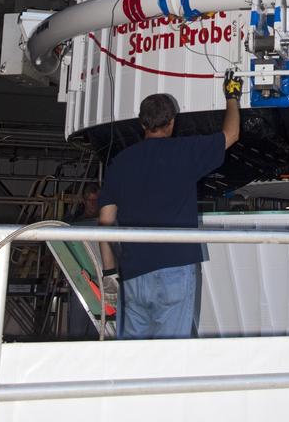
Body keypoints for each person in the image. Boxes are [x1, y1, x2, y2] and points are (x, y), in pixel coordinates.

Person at [98, 72, 242, 339]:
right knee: (170, 354)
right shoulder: (185, 152)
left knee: (132, 356)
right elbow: (231, 134)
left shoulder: (120, 162)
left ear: (142, 123)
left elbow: (105, 221)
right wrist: (232, 95)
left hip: (132, 274)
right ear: (172, 122)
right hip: (175, 269)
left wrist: (109, 272)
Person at [67, 182, 102, 340]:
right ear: (84, 201)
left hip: (101, 283)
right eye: (90, 200)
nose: (93, 204)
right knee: (77, 333)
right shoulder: (73, 224)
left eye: (96, 200)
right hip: (80, 282)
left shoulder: (106, 224)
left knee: (100, 332)